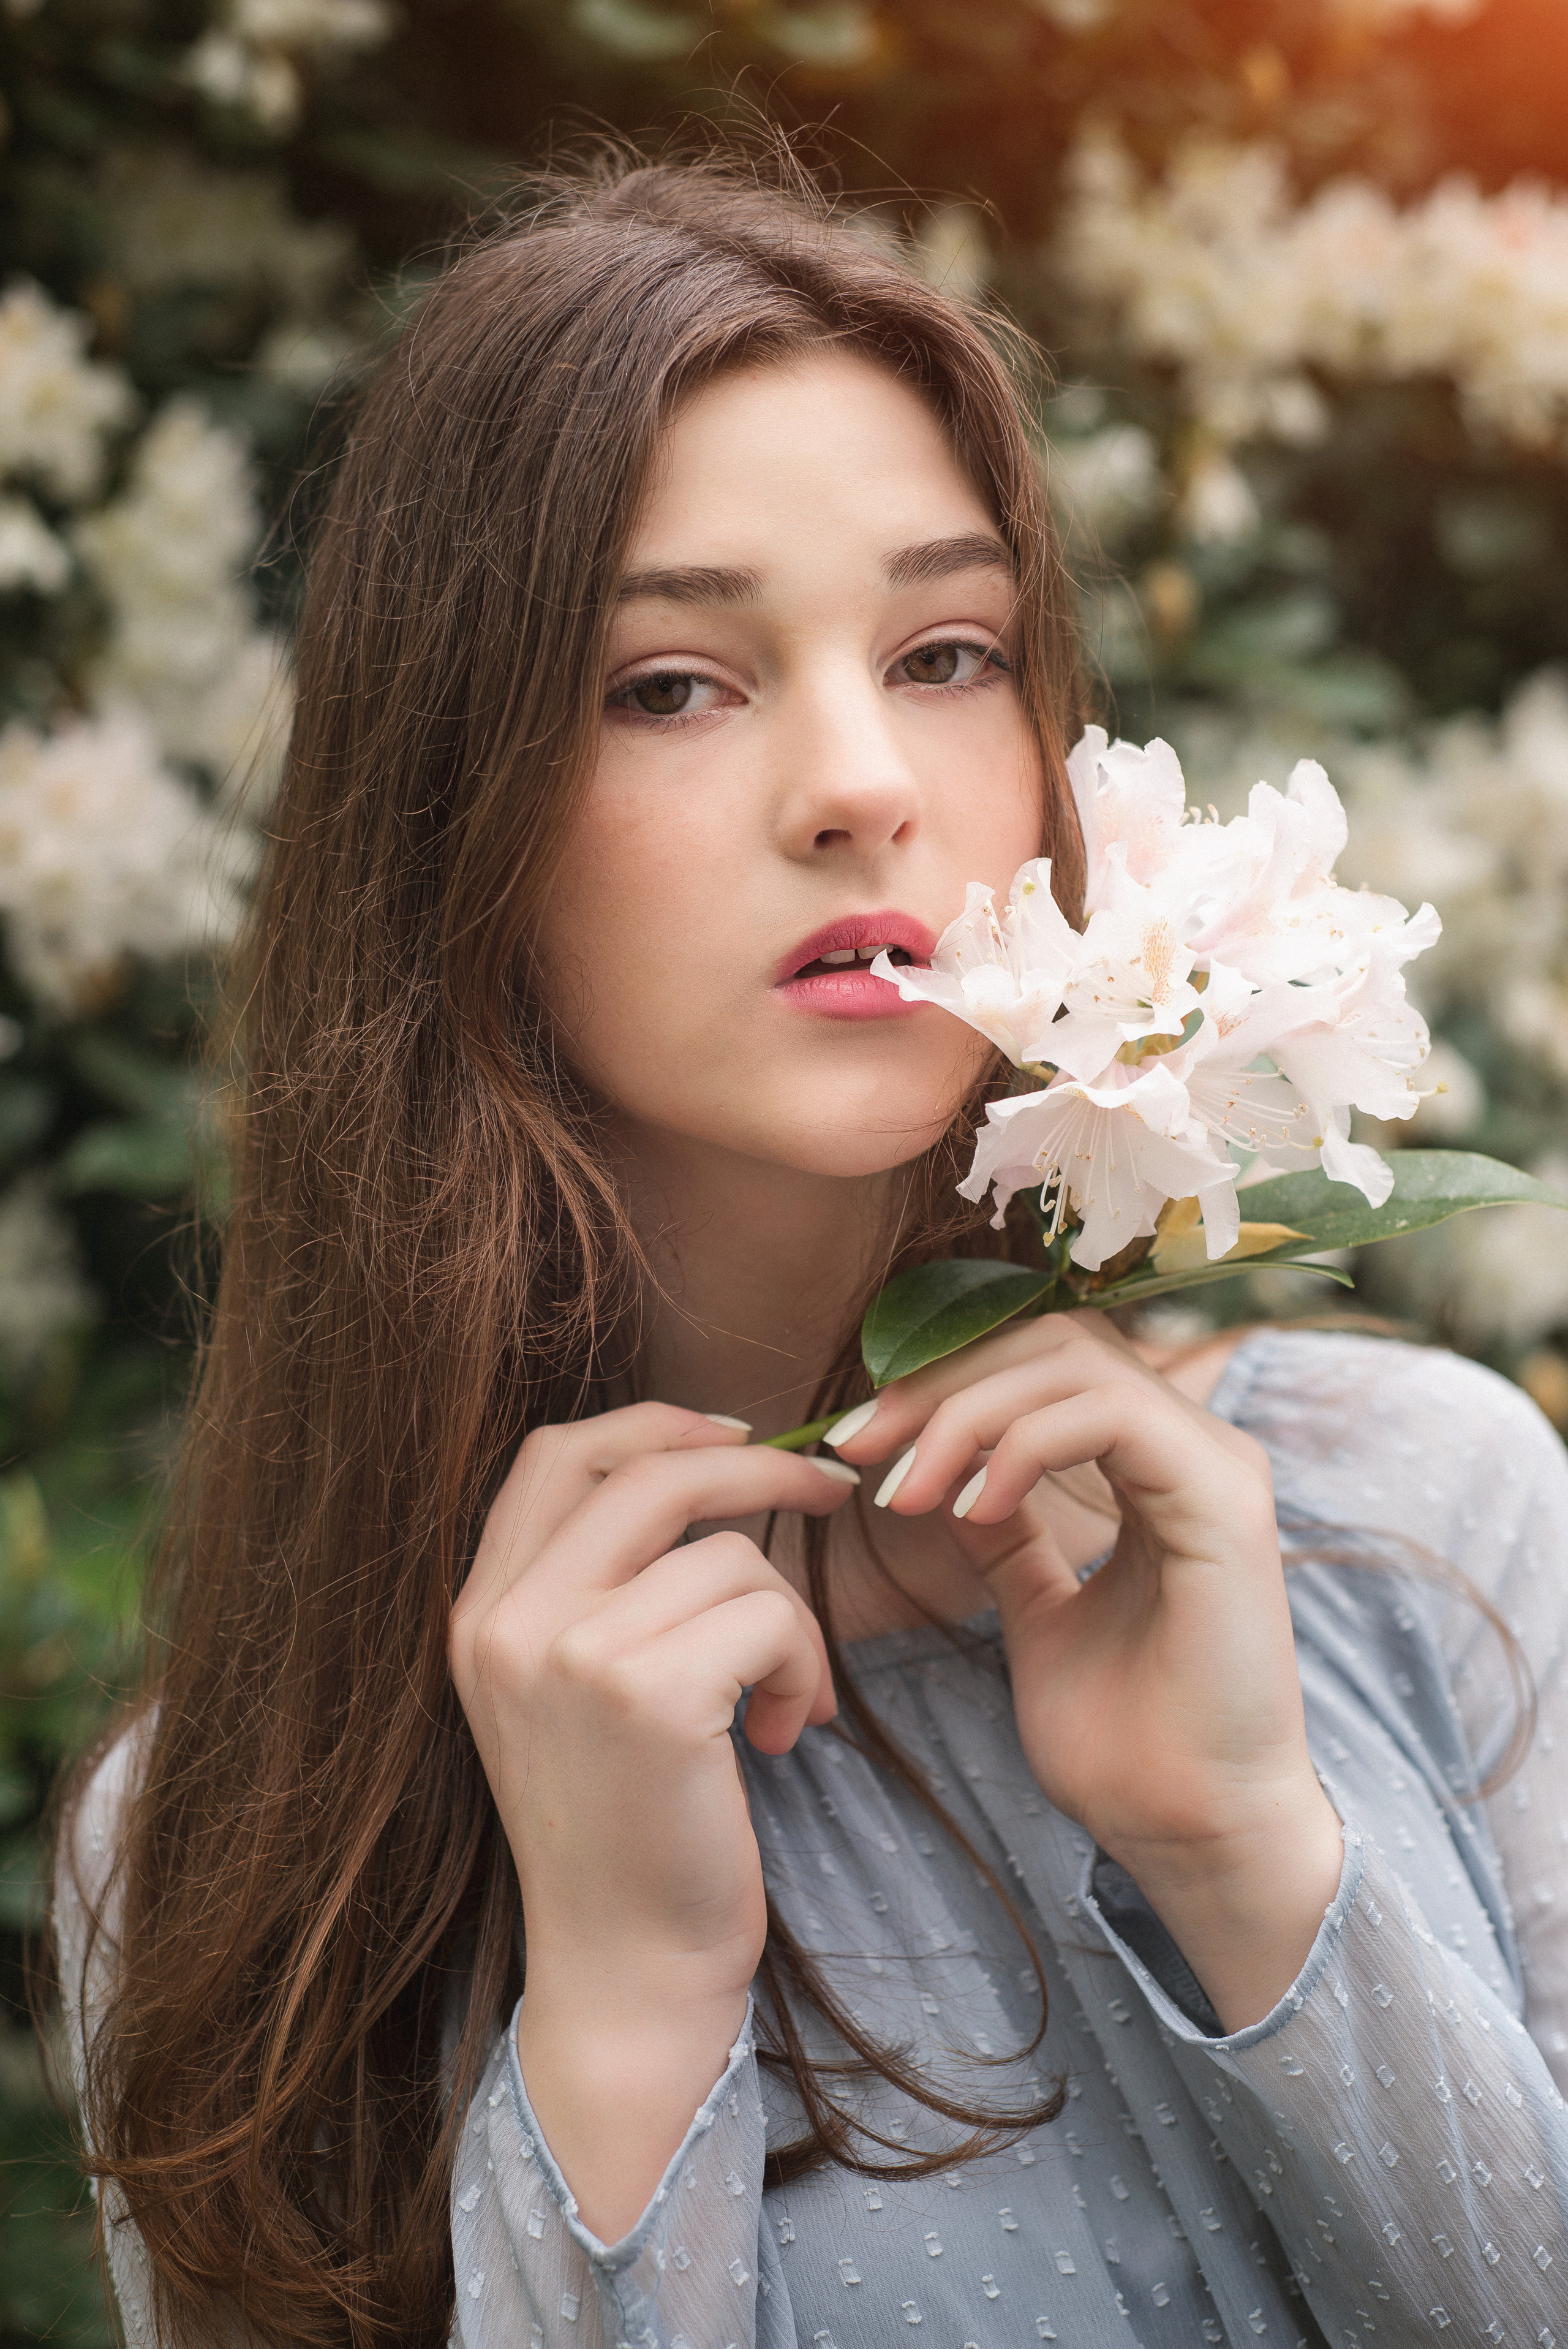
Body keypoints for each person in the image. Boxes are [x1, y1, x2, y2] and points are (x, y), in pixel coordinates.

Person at [48, 140, 1568, 2349]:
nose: (864, 779)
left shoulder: (1407, 1514)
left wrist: (1249, 1850)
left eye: (947, 652)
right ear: (449, 814)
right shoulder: (226, 1831)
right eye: (673, 682)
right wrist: (633, 2021)